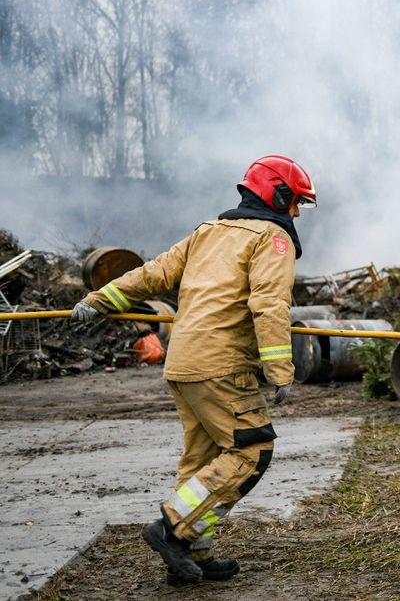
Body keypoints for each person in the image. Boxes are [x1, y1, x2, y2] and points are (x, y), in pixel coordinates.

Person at [70, 155, 317, 585]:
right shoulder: (272, 239)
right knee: (251, 451)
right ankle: (170, 530)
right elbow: (269, 305)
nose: (296, 212)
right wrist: (280, 370)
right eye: (295, 201)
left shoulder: (209, 232)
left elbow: (153, 274)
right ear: (277, 195)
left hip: (183, 363)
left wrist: (99, 300)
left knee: (202, 460)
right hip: (222, 367)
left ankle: (192, 555)